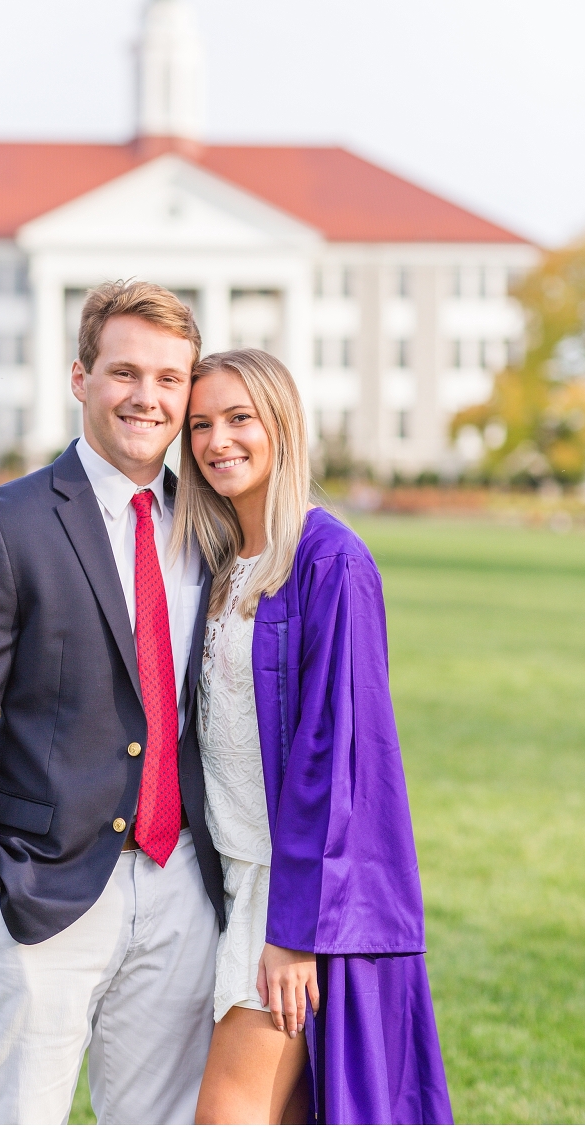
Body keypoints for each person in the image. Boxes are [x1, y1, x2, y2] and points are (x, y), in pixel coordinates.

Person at [0, 281, 225, 1126]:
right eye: (125, 372)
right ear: (79, 377)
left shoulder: (207, 525)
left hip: (181, 882)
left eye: (169, 378)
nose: (147, 397)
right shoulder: (2, 523)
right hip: (40, 890)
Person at [170, 348, 453, 1126]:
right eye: (200, 424)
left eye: (239, 418)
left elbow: (340, 762)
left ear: (282, 426)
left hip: (293, 899)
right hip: (228, 884)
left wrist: (296, 934)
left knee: (225, 1115)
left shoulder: (330, 561)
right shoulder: (224, 564)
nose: (216, 440)